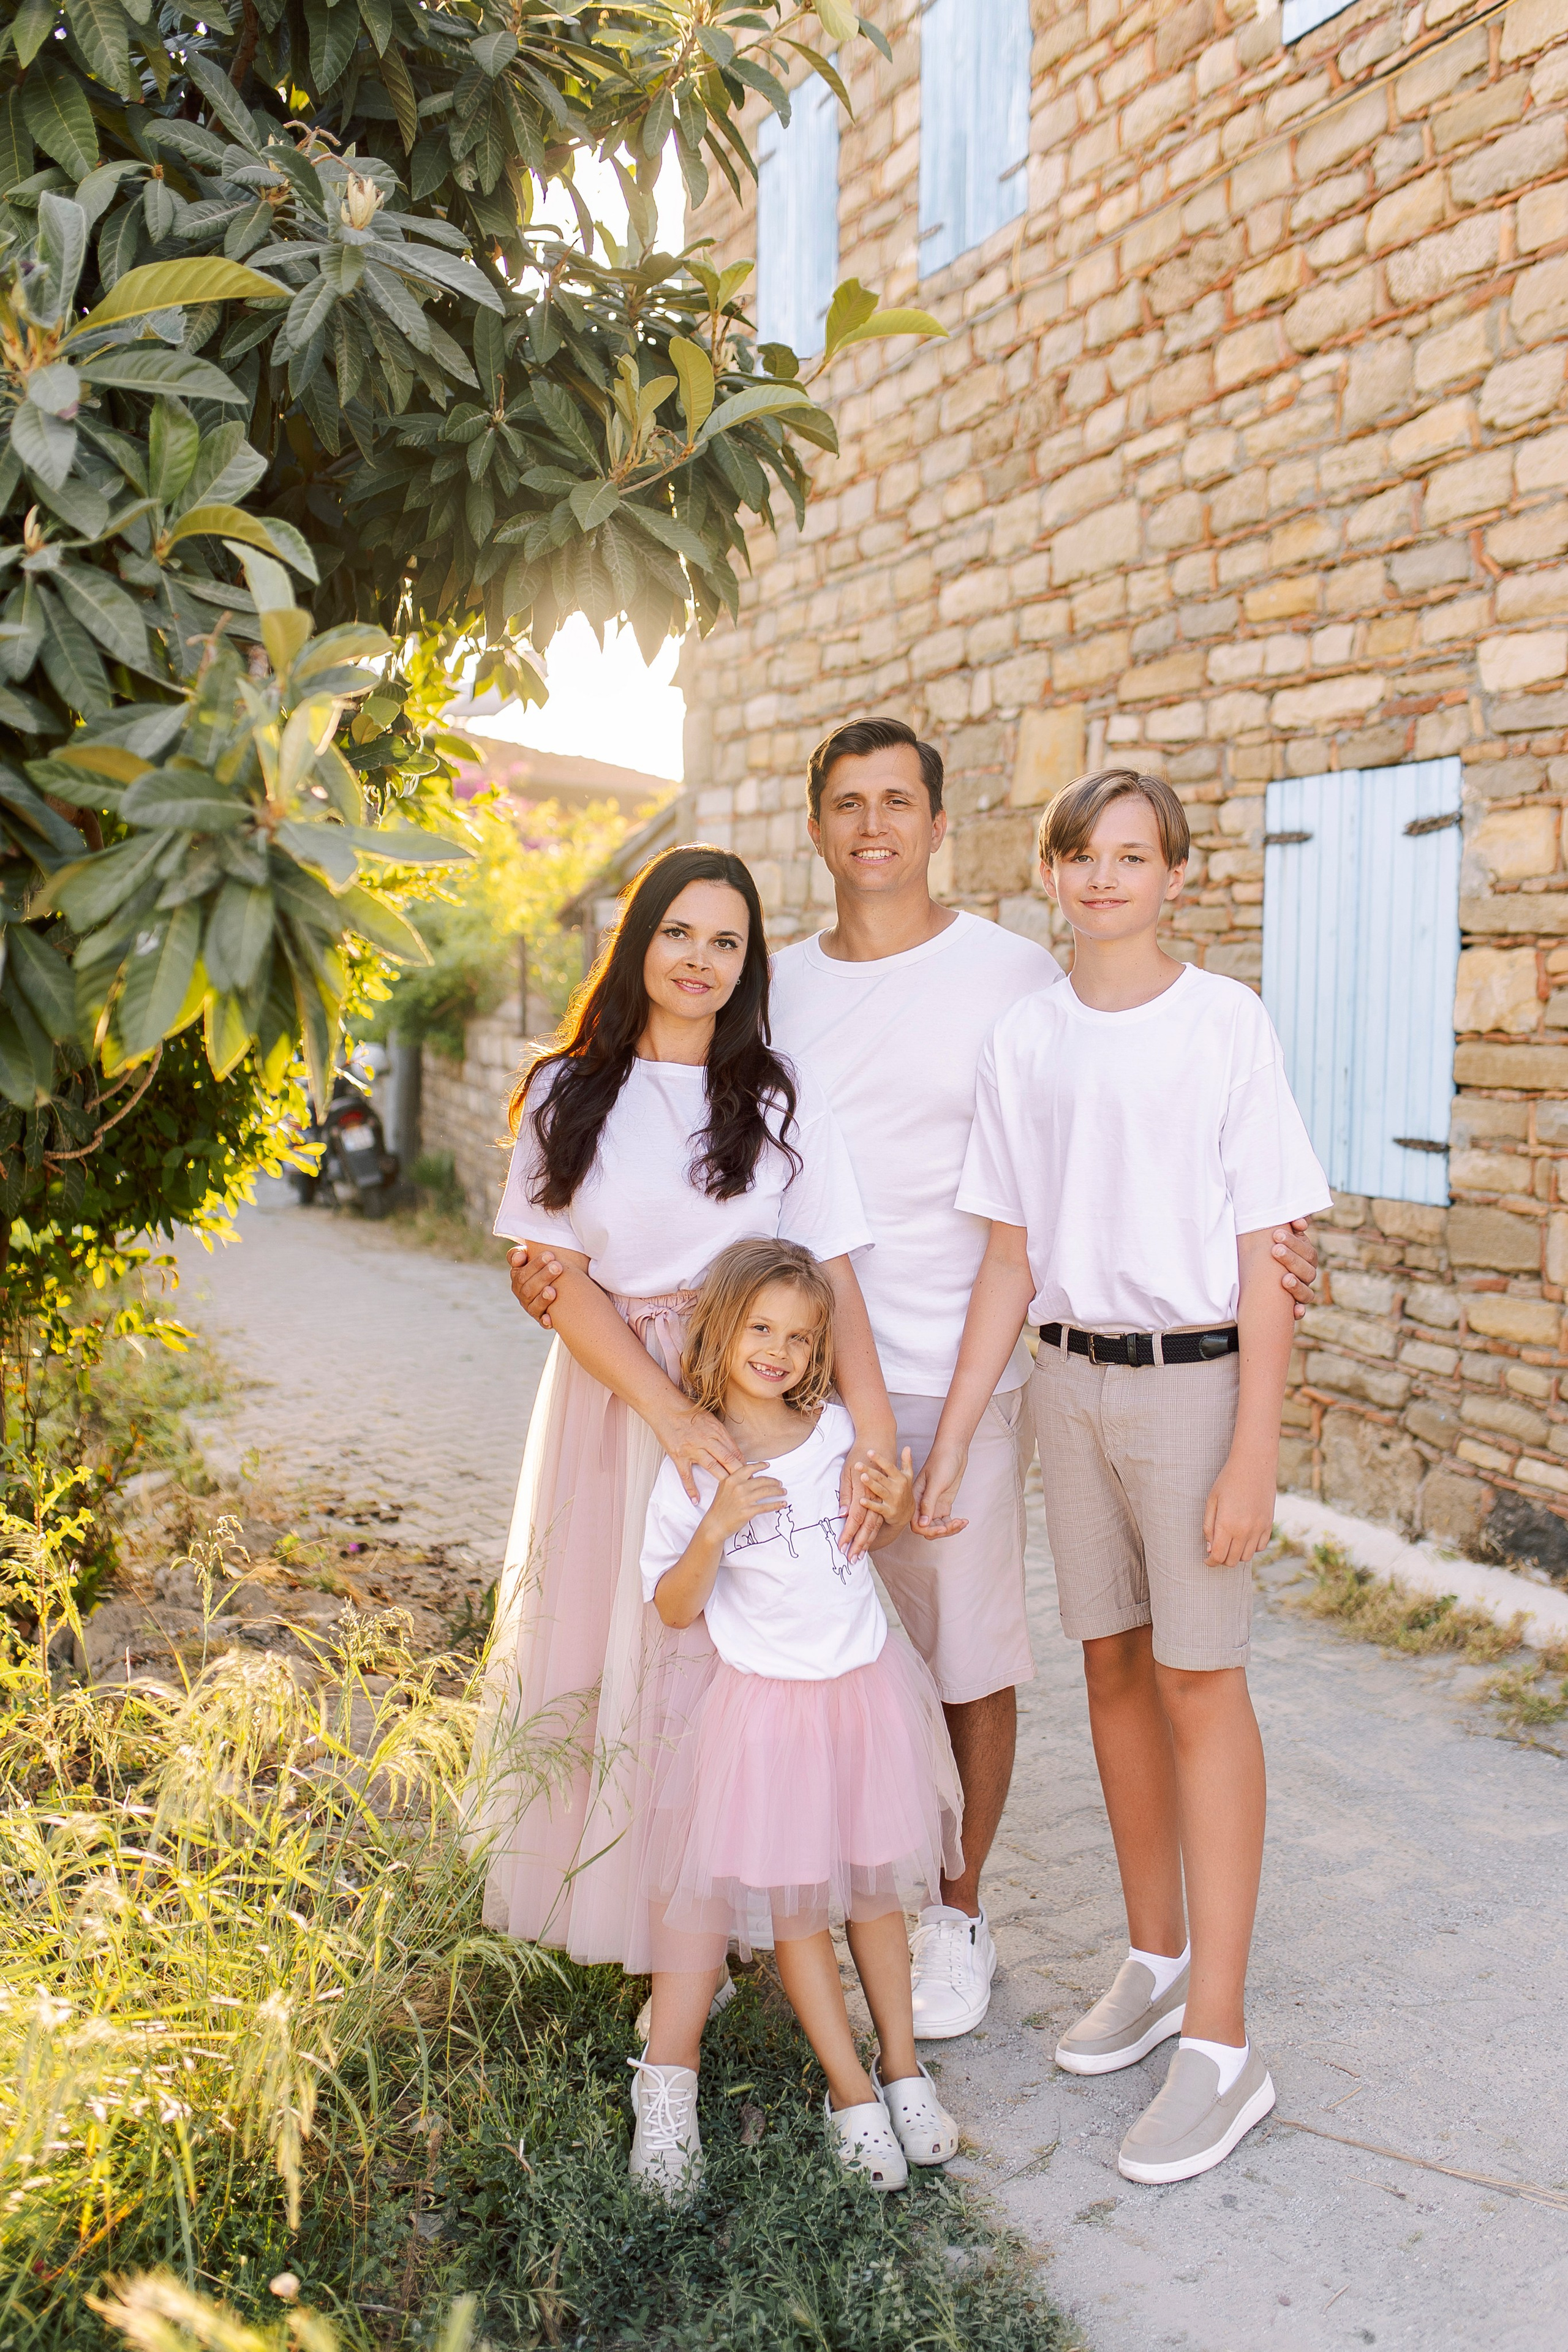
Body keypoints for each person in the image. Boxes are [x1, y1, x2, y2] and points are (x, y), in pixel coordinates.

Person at [510, 718, 1321, 2040]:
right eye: (846, 804)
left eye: (897, 802)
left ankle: (954, 1915)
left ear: (940, 826)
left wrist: (1267, 1257)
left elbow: (1106, 1149)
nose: (872, 824)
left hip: (964, 1381)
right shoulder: (771, 996)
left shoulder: (1014, 980)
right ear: (817, 829)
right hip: (781, 1389)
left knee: (963, 1658)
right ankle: (785, 1908)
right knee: (778, 1648)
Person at [918, 768, 1332, 2185]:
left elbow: (1267, 1251)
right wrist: (958, 1427)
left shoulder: (1223, 1025)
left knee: (1197, 1685)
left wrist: (1253, 1453)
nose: (1103, 878)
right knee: (1109, 1673)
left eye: (1131, 856)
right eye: (1080, 855)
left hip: (1193, 1386)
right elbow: (1005, 1261)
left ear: (1173, 879)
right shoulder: (1024, 1040)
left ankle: (1222, 2041)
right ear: (1051, 874)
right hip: (1068, 1381)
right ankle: (1154, 1960)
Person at [470, 845, 896, 2006]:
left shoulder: (774, 1095)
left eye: (727, 941)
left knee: (734, 1662)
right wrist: (666, 1413)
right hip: (620, 1407)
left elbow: (837, 1277)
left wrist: (876, 1432)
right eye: (678, 933)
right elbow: (555, 1279)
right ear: (639, 940)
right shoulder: (568, 1091)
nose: (699, 959)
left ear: (748, 963)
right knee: (619, 1644)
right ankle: (614, 1906)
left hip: (755, 1405)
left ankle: (734, 1912)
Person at [632, 1237, 963, 2197]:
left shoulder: (834, 1436)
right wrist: (715, 1528)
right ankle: (851, 2092)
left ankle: (903, 2070)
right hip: (768, 1717)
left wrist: (897, 1503)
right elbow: (674, 1606)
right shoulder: (697, 1467)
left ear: (820, 1350)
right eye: (759, 1328)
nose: (776, 1349)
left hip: (864, 1693)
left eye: (799, 1336)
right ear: (721, 1329)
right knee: (798, 1912)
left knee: (876, 1893)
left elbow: (877, 1528)